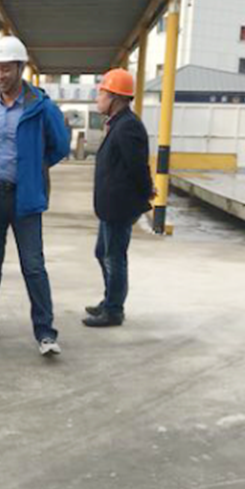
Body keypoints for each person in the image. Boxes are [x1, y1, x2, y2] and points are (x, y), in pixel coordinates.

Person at [0, 36, 70, 356]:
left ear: (20, 68)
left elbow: (60, 145)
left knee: (33, 265)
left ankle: (45, 332)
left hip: (25, 198)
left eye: (5, 69)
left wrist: (34, 167)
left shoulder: (41, 106)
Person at [84, 68, 154, 328]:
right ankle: (109, 300)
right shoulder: (117, 123)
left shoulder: (128, 126)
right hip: (110, 206)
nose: (98, 99)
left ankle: (114, 310)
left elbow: (137, 166)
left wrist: (146, 191)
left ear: (115, 97)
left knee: (114, 257)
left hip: (119, 206)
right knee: (102, 253)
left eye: (101, 94)